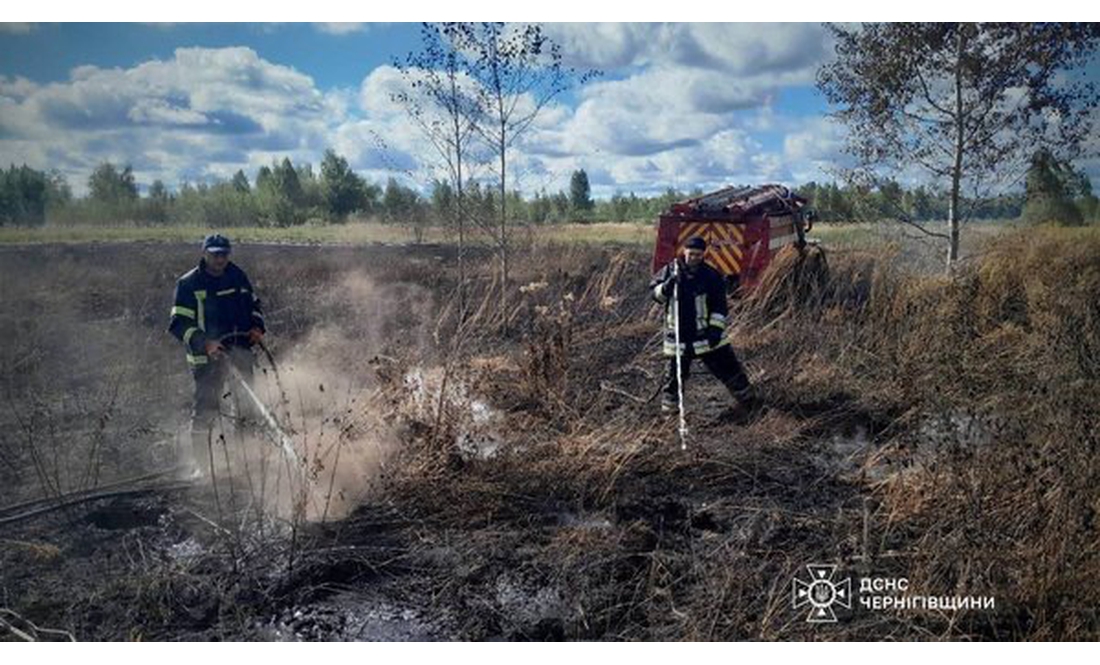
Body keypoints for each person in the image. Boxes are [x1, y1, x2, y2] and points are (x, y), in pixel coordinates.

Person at [167, 234, 265, 477]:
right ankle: (202, 467)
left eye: (224, 254)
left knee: (246, 407)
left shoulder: (237, 276)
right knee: (205, 412)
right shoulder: (189, 284)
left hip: (240, 352)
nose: (220, 259)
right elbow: (179, 324)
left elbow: (254, 306)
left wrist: (257, 327)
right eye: (214, 254)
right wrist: (205, 344)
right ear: (204, 253)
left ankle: (245, 461)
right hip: (207, 359)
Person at [649, 235, 759, 417]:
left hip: (706, 336)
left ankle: (750, 404)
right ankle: (670, 415)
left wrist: (716, 329)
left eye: (698, 255)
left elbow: (719, 305)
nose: (694, 258)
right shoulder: (669, 271)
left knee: (729, 369)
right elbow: (655, 295)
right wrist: (666, 288)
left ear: (703, 255)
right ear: (684, 252)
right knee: (674, 379)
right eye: (691, 254)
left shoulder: (711, 275)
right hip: (679, 337)